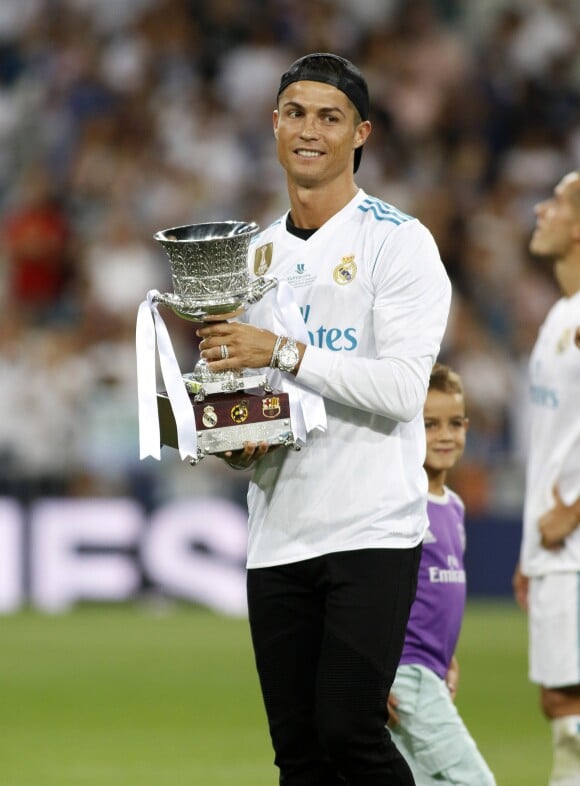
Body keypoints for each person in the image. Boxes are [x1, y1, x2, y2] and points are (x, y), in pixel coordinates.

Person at [197, 53, 452, 786]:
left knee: (350, 734)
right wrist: (233, 436)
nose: (310, 130)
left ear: (360, 133)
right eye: (297, 113)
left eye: (330, 117)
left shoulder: (398, 242)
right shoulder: (252, 255)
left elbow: (404, 389)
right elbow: (255, 394)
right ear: (275, 124)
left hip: (371, 528)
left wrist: (282, 349)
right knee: (301, 756)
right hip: (278, 531)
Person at [387, 363, 496, 786]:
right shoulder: (402, 501)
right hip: (405, 672)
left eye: (454, 423)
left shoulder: (453, 506)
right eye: (429, 425)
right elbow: (384, 592)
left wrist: (447, 655)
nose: (445, 436)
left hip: (431, 671)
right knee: (474, 781)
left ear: (468, 426)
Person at [512, 171, 580, 786]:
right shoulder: (562, 314)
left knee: (568, 706)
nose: (542, 209)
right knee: (561, 703)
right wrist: (531, 551)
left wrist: (574, 510)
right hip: (554, 550)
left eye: (557, 201)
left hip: (575, 546)